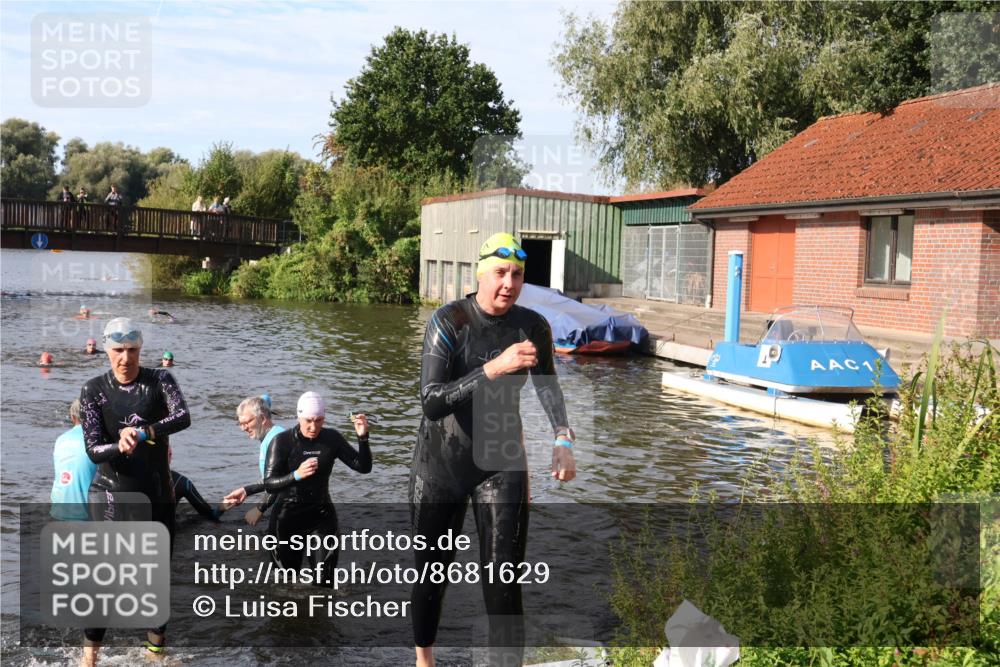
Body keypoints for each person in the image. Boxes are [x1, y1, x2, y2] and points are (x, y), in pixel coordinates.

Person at [410, 232, 576, 667]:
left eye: (517, 274)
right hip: (440, 465)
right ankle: (424, 660)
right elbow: (431, 402)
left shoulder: (533, 327)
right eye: (500, 272)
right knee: (431, 575)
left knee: (504, 580)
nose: (509, 283)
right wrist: (494, 368)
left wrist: (562, 437)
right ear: (480, 274)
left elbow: (548, 387)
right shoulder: (449, 322)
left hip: (501, 463)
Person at [78, 317, 191, 664]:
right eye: (118, 350)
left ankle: (155, 653)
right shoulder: (93, 389)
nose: (125, 358)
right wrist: (119, 445)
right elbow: (93, 449)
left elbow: (183, 416)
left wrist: (144, 432)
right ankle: (89, 659)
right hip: (111, 493)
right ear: (106, 350)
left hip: (157, 492)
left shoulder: (160, 381)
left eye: (132, 350)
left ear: (140, 349)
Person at [228, 392, 370, 582]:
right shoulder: (283, 441)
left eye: (319, 421)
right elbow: (270, 483)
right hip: (286, 520)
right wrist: (296, 475)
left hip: (321, 517)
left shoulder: (332, 439)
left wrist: (363, 438)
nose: (313, 427)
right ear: (298, 417)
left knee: (324, 582)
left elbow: (363, 467)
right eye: (308, 421)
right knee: (286, 585)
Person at [222, 395, 286, 526]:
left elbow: (280, 481)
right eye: (241, 424)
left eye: (247, 422)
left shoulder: (277, 439)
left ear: (262, 418)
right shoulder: (269, 437)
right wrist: (246, 491)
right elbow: (271, 480)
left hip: (291, 507)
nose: (243, 428)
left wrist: (260, 508)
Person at [50, 399, 97, 521]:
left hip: (58, 509)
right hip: (85, 514)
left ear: (72, 417)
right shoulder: (98, 440)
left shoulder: (60, 440)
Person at [169, 447, 223, 522]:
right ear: (170, 454)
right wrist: (222, 508)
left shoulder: (182, 482)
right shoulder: (182, 482)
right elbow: (210, 515)